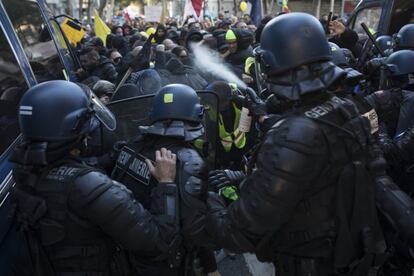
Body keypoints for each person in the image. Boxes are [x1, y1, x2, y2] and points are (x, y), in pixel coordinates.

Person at [204, 13, 386, 275]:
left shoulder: (292, 133)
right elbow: (317, 182)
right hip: (353, 255)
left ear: (271, 64)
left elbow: (241, 231)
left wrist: (204, 198)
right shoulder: (346, 109)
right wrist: (244, 180)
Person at [9, 80, 185, 275]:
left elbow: (64, 173)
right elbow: (160, 243)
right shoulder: (90, 187)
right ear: (76, 130)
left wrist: (113, 154)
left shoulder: (24, 169)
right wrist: (166, 183)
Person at [111, 84, 215, 275]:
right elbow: (194, 231)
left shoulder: (133, 145)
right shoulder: (187, 160)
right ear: (196, 114)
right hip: (166, 261)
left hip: (128, 251)